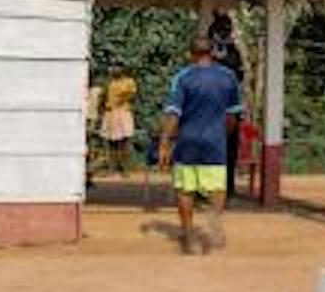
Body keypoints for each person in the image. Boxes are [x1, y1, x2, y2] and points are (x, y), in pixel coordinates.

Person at [156, 35, 243, 255]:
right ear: (212, 53)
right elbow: (233, 115)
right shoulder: (228, 77)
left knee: (185, 189)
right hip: (215, 141)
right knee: (217, 187)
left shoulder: (182, 78)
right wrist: (223, 135)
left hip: (188, 142)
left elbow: (173, 113)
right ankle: (213, 219)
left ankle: (188, 236)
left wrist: (165, 142)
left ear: (191, 54)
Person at [100, 65, 139, 175]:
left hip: (122, 112)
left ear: (123, 70)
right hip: (110, 112)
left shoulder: (129, 81)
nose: (114, 70)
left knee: (124, 142)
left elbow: (131, 94)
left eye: (117, 68)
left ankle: (125, 168)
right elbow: (104, 96)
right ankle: (111, 168)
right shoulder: (110, 82)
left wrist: (121, 99)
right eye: (113, 68)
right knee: (110, 142)